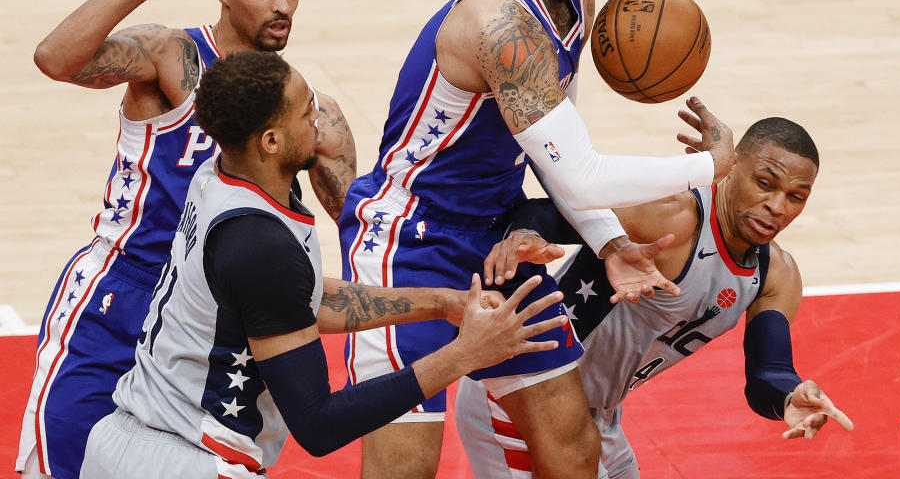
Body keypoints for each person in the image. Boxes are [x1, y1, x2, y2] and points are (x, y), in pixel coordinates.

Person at [339, 0, 737, 478]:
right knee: (405, 468)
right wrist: (709, 167)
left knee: (572, 444)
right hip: (407, 238)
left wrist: (609, 243)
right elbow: (583, 173)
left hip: (494, 241)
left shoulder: (574, 5)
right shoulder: (500, 25)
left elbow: (557, 155)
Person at [78, 50, 568, 478]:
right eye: (305, 112)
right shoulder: (259, 246)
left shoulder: (223, 174)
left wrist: (445, 303)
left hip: (125, 436)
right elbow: (318, 424)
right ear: (270, 141)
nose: (320, 118)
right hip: (190, 459)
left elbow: (302, 301)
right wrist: (464, 355)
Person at [17, 0, 355, 479]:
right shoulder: (173, 55)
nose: (283, 6)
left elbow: (354, 224)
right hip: (124, 290)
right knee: (66, 464)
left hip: (205, 319)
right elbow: (55, 58)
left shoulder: (310, 110)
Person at [457, 117, 855, 478]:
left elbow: (767, 373)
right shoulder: (672, 216)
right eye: (765, 184)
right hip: (521, 396)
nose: (777, 206)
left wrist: (788, 396)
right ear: (731, 168)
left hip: (596, 415)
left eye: (796, 196)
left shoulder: (776, 275)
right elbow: (543, 214)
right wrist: (521, 238)